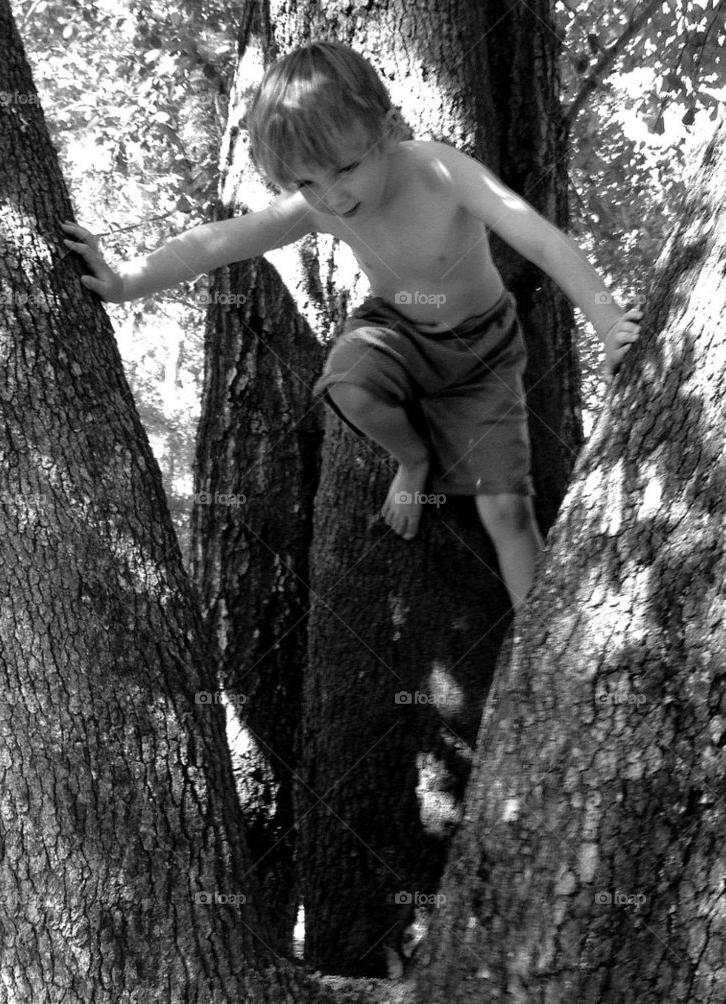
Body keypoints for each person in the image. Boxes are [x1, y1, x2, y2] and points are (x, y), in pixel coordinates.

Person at [62, 40, 641, 612]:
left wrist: (608, 319)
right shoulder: (322, 205)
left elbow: (537, 235)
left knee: (507, 512)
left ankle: (535, 663)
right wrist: (124, 282)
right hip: (397, 332)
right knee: (348, 382)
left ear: (389, 129)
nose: (331, 197)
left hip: (482, 353)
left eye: (343, 169)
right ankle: (414, 459)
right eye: (306, 184)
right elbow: (221, 242)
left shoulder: (439, 170)